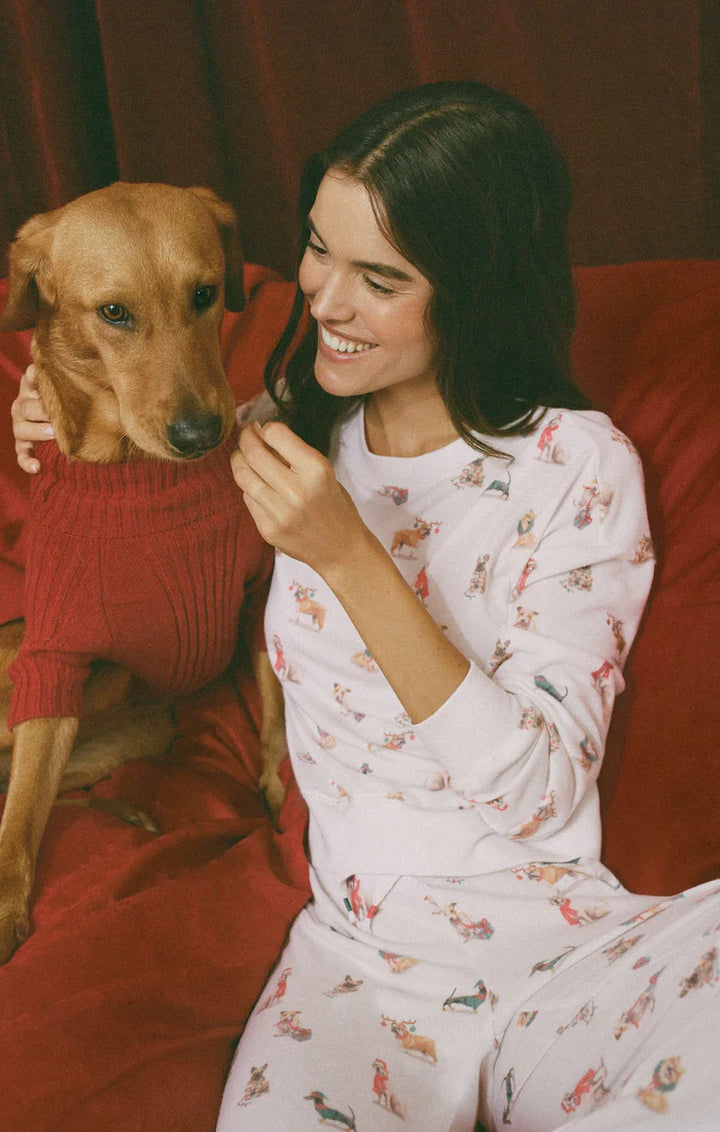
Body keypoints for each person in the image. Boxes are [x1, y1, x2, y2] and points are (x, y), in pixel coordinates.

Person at [12, 82, 719, 1131]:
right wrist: (56, 393)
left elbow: (537, 792)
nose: (325, 301)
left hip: (570, 938)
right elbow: (134, 475)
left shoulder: (577, 467)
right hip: (360, 966)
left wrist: (348, 555)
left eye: (379, 277)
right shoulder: (283, 432)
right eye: (317, 251)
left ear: (474, 289)